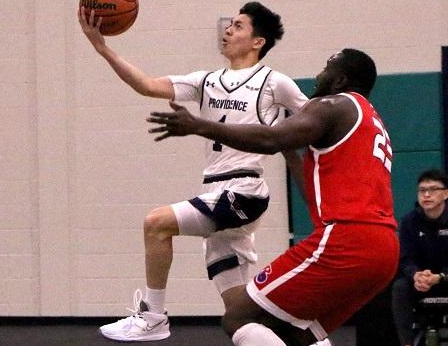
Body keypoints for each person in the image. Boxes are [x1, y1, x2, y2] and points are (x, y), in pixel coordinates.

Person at [79, 1, 309, 341]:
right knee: (241, 316)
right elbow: (147, 85)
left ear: (258, 41)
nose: (228, 30)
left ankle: (153, 316)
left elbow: (315, 119)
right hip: (215, 193)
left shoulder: (276, 83)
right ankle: (311, 338)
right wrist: (102, 48)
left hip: (244, 191)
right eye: (229, 24)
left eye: (239, 26)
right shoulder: (206, 81)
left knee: (156, 223)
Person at [147, 48, 398, 346]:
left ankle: (150, 317)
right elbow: (310, 193)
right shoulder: (370, 120)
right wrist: (289, 150)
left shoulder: (333, 105)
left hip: (347, 240)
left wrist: (199, 125)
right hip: (384, 251)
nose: (319, 75)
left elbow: (270, 139)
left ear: (340, 79)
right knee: (294, 333)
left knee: (239, 317)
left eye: (326, 68)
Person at [392, 169, 448, 346]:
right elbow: (405, 259)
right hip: (422, 281)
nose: (427, 195)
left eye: (433, 189)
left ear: (446, 194)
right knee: (400, 287)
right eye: (422, 190)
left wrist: (441, 277)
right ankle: (406, 343)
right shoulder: (409, 221)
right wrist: (416, 275)